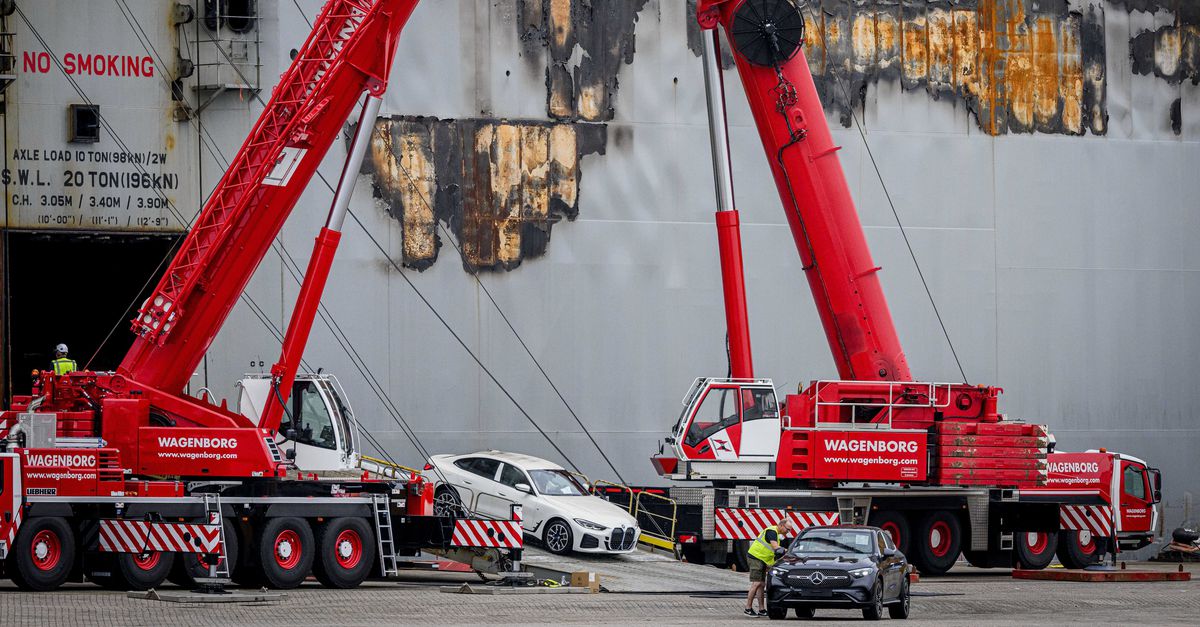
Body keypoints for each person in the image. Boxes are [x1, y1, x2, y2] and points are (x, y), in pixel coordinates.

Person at [745, 517, 792, 617]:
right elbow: (775, 548)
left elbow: (770, 552)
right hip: (756, 557)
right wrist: (789, 551)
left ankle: (761, 610)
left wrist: (769, 565)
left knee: (761, 584)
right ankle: (748, 608)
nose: (788, 531)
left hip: (761, 559)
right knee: (756, 583)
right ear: (781, 525)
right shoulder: (771, 531)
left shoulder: (777, 535)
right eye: (787, 529)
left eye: (790, 530)